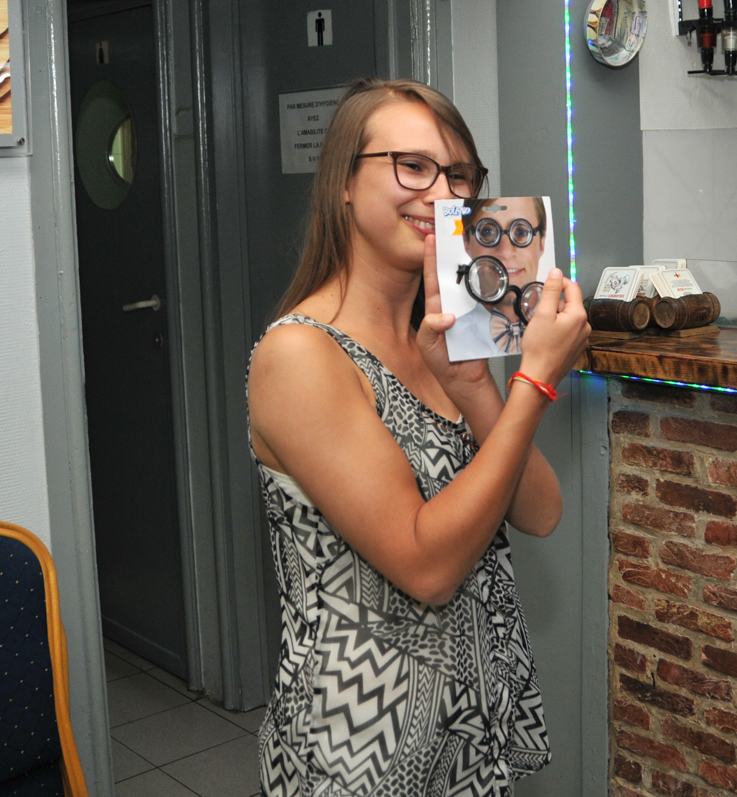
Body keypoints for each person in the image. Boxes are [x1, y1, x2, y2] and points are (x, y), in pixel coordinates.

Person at [247, 77, 589, 796]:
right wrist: (534, 382)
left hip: (465, 730)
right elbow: (426, 567)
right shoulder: (301, 354)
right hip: (363, 739)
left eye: (459, 174)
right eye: (412, 166)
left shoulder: (440, 342)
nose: (441, 193)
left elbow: (540, 511)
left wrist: (478, 389)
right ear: (344, 182)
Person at [448, 197, 550, 359]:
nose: (506, 252)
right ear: (466, 241)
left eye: (521, 232)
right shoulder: (450, 340)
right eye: (487, 232)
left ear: (542, 242)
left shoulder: (567, 330)